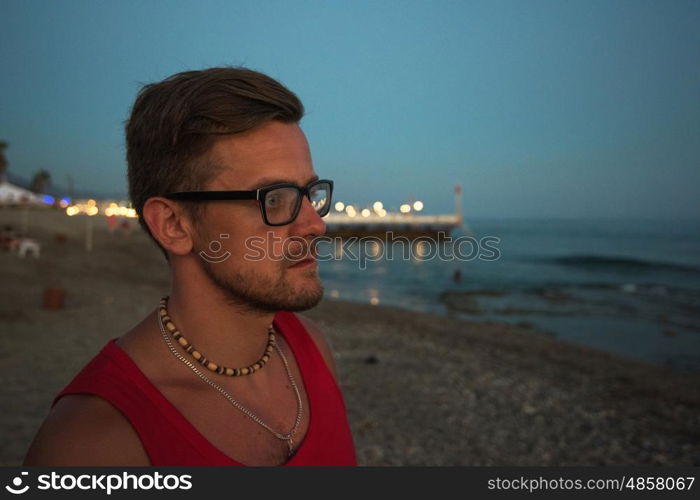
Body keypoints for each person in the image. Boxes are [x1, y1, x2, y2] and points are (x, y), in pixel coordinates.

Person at [24, 67, 356, 466]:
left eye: (310, 193)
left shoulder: (311, 351)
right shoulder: (95, 441)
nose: (315, 224)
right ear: (174, 225)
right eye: (274, 198)